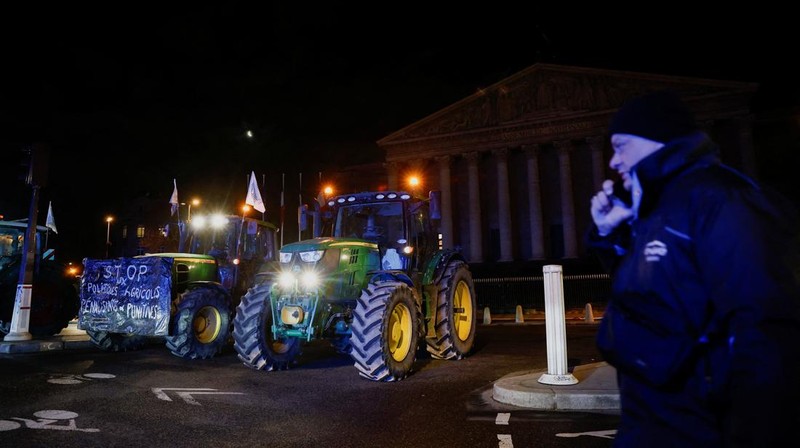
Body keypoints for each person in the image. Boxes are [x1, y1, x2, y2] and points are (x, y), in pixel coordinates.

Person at [588, 89, 800, 447]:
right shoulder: (661, 209)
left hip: (701, 429)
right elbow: (657, 296)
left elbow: (766, 330)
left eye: (621, 145)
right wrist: (610, 235)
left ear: (657, 140)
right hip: (654, 423)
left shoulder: (725, 200)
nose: (614, 161)